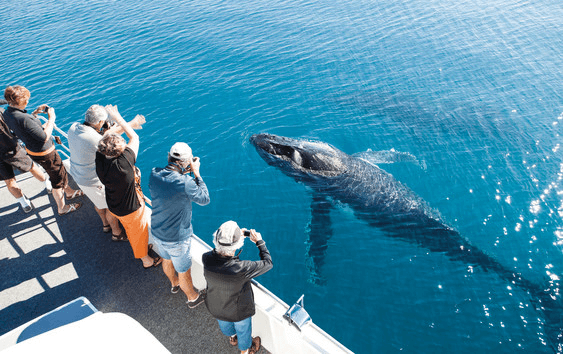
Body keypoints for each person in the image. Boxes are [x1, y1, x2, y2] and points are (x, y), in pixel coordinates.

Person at [95, 105, 161, 269]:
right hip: (130, 209)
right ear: (120, 151)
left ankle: (141, 248)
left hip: (113, 203)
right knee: (137, 232)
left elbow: (107, 137)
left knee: (131, 229)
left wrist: (119, 121)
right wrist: (117, 117)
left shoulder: (100, 158)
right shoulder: (124, 163)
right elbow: (134, 137)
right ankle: (146, 260)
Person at [68, 104, 145, 240]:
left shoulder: (73, 127)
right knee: (110, 207)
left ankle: (105, 225)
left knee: (98, 203)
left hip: (79, 175)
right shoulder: (96, 140)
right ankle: (116, 233)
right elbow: (108, 142)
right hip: (92, 180)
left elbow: (103, 138)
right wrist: (132, 124)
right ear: (99, 122)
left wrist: (110, 131)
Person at [3, 85, 82, 215]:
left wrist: (34, 113)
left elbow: (24, 128)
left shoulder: (7, 113)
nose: (28, 101)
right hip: (46, 153)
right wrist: (51, 118)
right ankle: (62, 208)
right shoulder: (24, 118)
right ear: (21, 101)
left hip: (33, 151)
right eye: (26, 99)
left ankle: (69, 192)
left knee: (58, 174)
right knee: (57, 180)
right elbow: (44, 137)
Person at [149, 142, 210, 308]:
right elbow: (204, 199)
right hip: (176, 238)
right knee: (184, 270)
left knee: (166, 259)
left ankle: (174, 283)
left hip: (157, 230)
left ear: (169, 156)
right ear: (186, 162)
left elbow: (168, 185)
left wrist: (184, 172)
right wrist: (196, 173)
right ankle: (192, 297)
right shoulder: (186, 182)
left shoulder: (154, 173)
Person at [202, 221, 273, 354]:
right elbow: (268, 263)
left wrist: (234, 238)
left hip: (215, 306)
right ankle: (245, 350)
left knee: (226, 325)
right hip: (238, 313)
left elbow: (215, 253)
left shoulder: (206, 258)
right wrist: (260, 242)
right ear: (237, 245)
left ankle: (232, 338)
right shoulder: (241, 268)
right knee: (243, 331)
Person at [0, 99, 47, 212]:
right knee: (32, 167)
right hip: (12, 149)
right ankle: (47, 184)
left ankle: (24, 203)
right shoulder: (2, 114)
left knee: (9, 181)